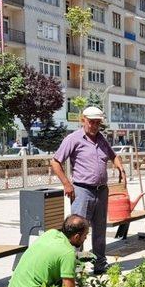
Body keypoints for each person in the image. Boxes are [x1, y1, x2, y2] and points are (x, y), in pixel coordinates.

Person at [50, 106, 126, 275]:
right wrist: (66, 184)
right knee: (77, 230)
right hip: (82, 191)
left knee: (100, 230)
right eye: (91, 122)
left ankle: (100, 265)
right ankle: (75, 268)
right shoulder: (73, 139)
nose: (94, 126)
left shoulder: (101, 139)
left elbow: (113, 155)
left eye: (98, 123)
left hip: (101, 191)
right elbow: (55, 162)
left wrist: (120, 167)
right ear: (83, 120)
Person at [9, 215, 91, 287]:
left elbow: (54, 256)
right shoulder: (67, 254)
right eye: (85, 236)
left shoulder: (51, 233)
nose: (85, 238)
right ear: (77, 236)